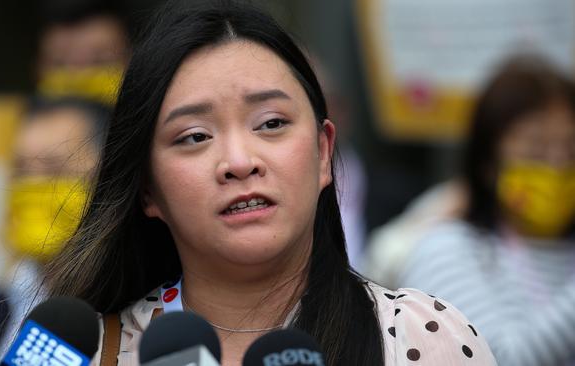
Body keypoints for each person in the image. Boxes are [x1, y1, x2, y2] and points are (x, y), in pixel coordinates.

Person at [42, 1, 497, 365]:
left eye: (272, 123)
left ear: (323, 153)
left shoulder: (420, 335)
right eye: (195, 136)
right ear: (147, 188)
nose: (240, 162)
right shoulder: (81, 350)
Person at [399, 56, 575, 365]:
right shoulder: (448, 250)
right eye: (536, 151)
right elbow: (494, 359)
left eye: (572, 150)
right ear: (488, 165)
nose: (558, 166)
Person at [0, 97, 108, 366]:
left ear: (108, 180)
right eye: (21, 170)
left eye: (54, 169)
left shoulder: (149, 309)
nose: (32, 184)